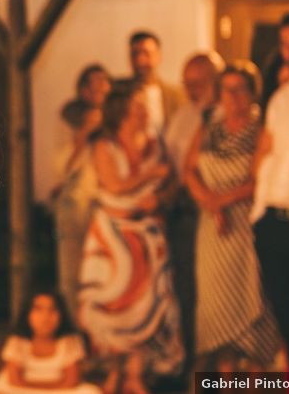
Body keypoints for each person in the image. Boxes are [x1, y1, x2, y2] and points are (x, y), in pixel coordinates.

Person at [79, 85, 183, 394]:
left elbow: (172, 181)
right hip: (113, 235)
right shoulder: (104, 145)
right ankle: (114, 371)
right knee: (114, 301)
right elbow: (114, 183)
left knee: (146, 301)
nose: (145, 111)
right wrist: (150, 176)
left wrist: (161, 198)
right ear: (122, 112)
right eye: (138, 107)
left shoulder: (154, 143)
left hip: (148, 233)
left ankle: (136, 373)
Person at [183, 61, 281, 372]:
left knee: (252, 306)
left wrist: (221, 202)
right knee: (217, 309)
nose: (233, 97)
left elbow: (258, 181)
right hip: (212, 230)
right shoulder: (209, 128)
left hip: (245, 227)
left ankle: (252, 383)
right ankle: (225, 381)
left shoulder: (261, 130)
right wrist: (211, 204)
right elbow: (189, 170)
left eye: (241, 90)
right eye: (227, 90)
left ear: (253, 93)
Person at [253, 11, 289, 373]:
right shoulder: (281, 98)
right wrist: (257, 214)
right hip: (272, 220)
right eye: (285, 44)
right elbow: (265, 157)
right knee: (287, 320)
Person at [160, 51, 224, 375]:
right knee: (186, 289)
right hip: (183, 213)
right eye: (187, 84)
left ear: (216, 79)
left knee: (215, 291)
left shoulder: (225, 114)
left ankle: (218, 365)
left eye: (197, 83)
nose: (190, 90)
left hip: (216, 212)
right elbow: (172, 163)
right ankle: (193, 363)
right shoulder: (184, 114)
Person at [52, 64, 110, 319]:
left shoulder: (115, 118)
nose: (98, 89)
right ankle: (75, 330)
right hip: (76, 204)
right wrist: (84, 134)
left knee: (104, 271)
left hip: (107, 203)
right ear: (83, 89)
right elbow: (60, 168)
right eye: (92, 84)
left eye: (103, 83)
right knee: (73, 272)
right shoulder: (69, 117)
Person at [0, 290, 99, 394]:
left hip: (61, 392)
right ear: (28, 314)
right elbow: (14, 380)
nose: (45, 317)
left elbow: (70, 381)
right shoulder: (17, 342)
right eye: (38, 309)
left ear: (61, 315)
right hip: (20, 391)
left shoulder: (69, 342)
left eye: (52, 310)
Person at [113, 31, 183, 135]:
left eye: (146, 53)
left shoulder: (176, 95)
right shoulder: (117, 90)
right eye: (135, 54)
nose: (140, 60)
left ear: (158, 56)